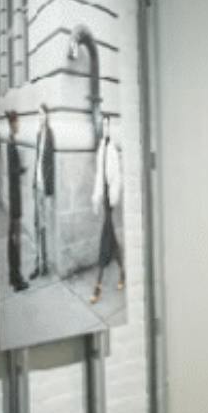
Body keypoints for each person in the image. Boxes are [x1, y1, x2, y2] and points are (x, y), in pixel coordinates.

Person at [89, 113, 125, 306]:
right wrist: (96, 198)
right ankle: (123, 271)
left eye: (108, 125)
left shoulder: (112, 149)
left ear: (111, 128)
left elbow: (117, 176)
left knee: (105, 238)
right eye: (103, 125)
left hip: (110, 199)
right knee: (112, 239)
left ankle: (98, 285)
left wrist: (113, 196)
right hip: (104, 199)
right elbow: (98, 176)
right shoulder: (101, 148)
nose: (105, 129)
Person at [31, 103, 56, 279]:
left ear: (47, 116)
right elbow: (37, 160)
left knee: (43, 226)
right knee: (36, 224)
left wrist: (48, 188)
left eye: (42, 114)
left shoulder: (49, 135)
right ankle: (37, 263)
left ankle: (43, 264)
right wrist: (34, 180)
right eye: (38, 114)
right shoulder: (38, 134)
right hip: (37, 185)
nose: (40, 117)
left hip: (44, 187)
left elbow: (50, 163)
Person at [5, 110, 28, 293]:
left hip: (14, 196)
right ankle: (17, 279)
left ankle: (13, 276)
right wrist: (21, 169)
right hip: (15, 198)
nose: (19, 125)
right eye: (17, 122)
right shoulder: (11, 144)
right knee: (15, 239)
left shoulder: (11, 142)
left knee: (13, 238)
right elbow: (13, 172)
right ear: (13, 123)